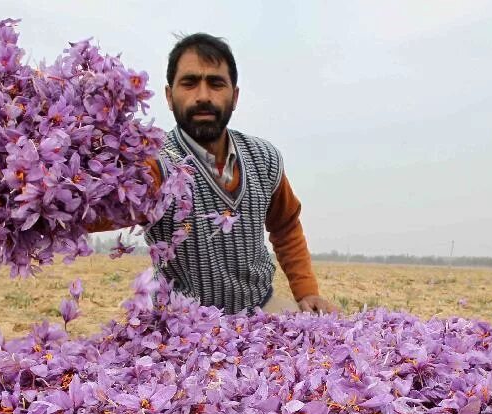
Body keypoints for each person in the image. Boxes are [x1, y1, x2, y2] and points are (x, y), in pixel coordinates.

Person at [88, 33, 336, 315]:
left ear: (235, 96)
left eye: (216, 83)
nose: (203, 96)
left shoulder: (264, 159)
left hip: (258, 308)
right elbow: (102, 211)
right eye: (189, 83)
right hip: (181, 322)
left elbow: (286, 225)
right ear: (169, 96)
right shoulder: (155, 165)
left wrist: (307, 291)